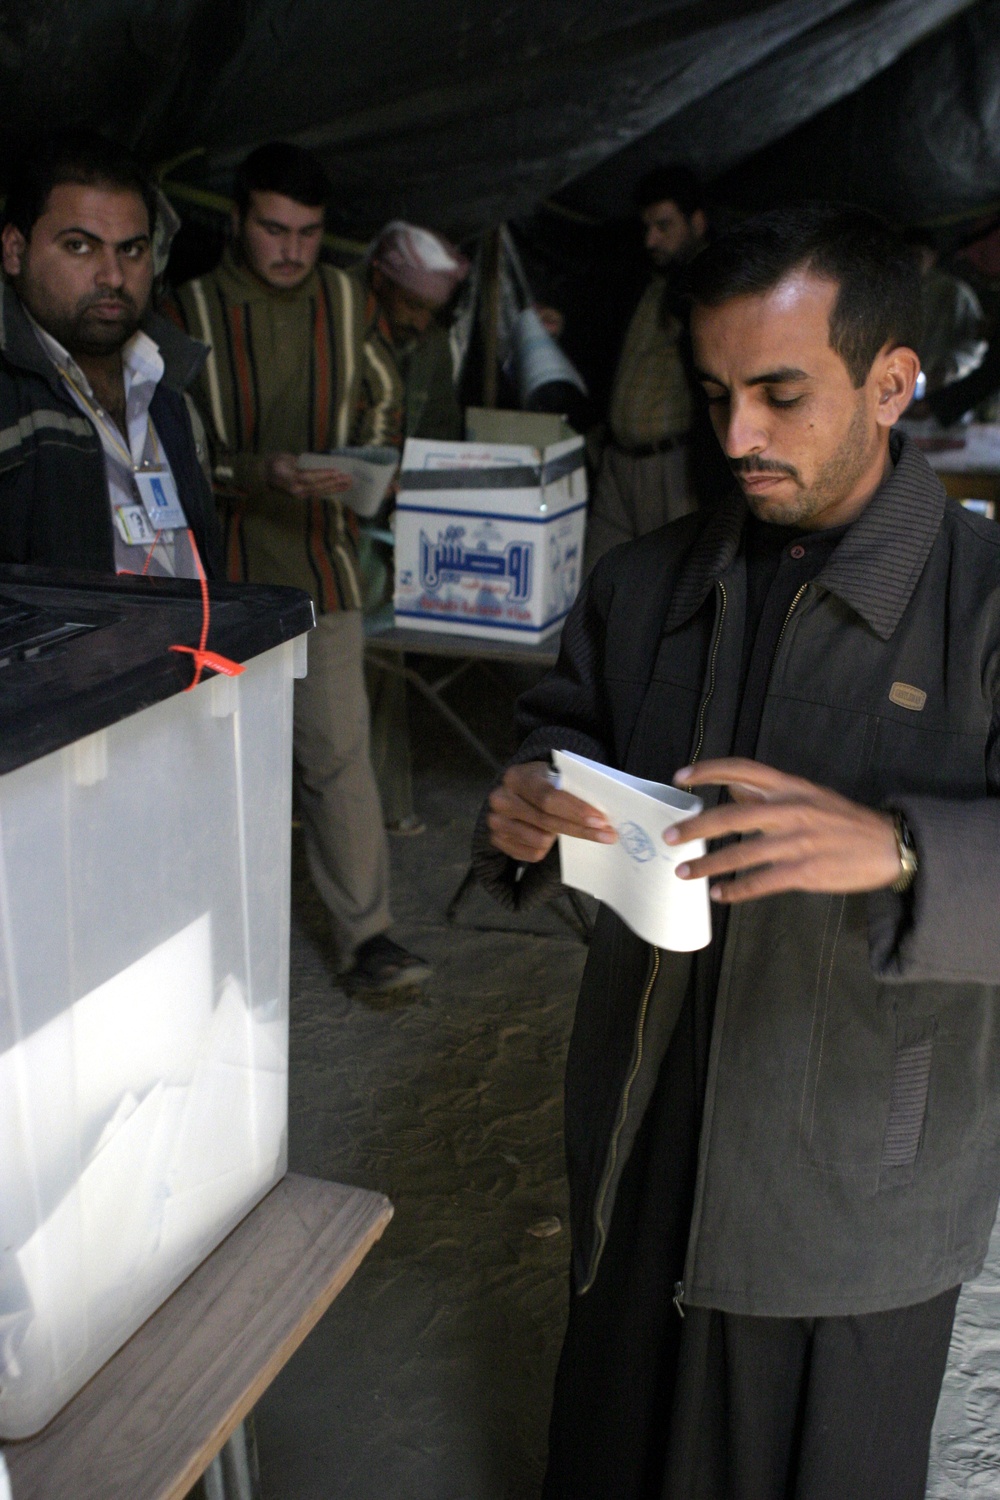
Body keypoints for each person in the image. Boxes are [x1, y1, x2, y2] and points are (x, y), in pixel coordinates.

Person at [475, 204, 1000, 1499]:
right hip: (648, 1122)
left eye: (780, 394)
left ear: (892, 381)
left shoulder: (984, 606)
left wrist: (900, 850)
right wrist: (530, 811)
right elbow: (561, 734)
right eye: (717, 395)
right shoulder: (650, 580)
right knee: (615, 1445)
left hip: (860, 1176)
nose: (737, 438)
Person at [172, 142, 430, 999]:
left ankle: (370, 939)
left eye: (308, 233)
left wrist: (370, 457)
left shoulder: (350, 299)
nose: (290, 249)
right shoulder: (192, 309)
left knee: (337, 756)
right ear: (238, 220)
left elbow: (386, 396)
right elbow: (173, 449)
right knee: (221, 766)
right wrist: (257, 472)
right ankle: (208, 947)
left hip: (326, 566)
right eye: (274, 229)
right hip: (228, 577)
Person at [0, 130, 220, 579]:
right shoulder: (8, 394)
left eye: (132, 250)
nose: (113, 276)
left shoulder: (170, 383)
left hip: (191, 647)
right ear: (15, 251)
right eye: (79, 246)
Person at [359, 222, 470, 835]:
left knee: (382, 664)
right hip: (337, 520)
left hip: (397, 526)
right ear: (379, 279)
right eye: (412, 306)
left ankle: (385, 803)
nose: (423, 322)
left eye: (434, 311)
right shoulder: (338, 328)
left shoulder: (428, 344)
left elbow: (444, 432)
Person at [583, 165, 707, 572]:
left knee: (668, 588)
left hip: (672, 467)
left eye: (664, 226)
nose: (651, 239)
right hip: (618, 463)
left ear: (697, 223)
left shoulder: (710, 291)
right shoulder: (647, 282)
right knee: (599, 581)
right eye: (647, 227)